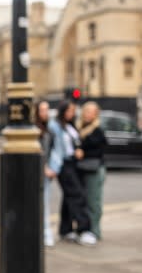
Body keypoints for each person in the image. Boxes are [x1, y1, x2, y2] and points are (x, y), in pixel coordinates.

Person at [47, 100, 97, 246]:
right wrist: (51, 166)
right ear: (62, 111)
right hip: (63, 165)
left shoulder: (70, 126)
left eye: (73, 111)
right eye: (69, 111)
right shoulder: (54, 126)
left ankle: (65, 230)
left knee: (69, 197)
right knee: (77, 195)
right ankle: (84, 230)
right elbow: (52, 148)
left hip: (74, 163)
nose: (72, 113)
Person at [77, 101, 107, 240]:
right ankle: (86, 229)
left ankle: (95, 231)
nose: (86, 113)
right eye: (85, 110)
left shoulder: (97, 130)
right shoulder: (81, 127)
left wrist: (83, 152)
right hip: (83, 169)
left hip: (94, 169)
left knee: (94, 202)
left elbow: (100, 151)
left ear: (96, 114)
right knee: (85, 201)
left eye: (90, 111)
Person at [35, 100, 56, 247]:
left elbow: (52, 151)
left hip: (45, 175)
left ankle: (46, 233)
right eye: (42, 110)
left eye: (47, 110)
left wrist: (51, 167)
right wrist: (43, 166)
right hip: (36, 173)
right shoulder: (34, 130)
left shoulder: (50, 129)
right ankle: (41, 233)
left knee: (45, 205)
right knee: (37, 205)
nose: (45, 113)